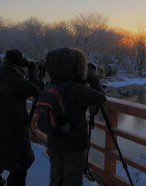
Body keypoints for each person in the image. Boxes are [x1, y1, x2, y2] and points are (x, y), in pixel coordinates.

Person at [45, 47, 107, 186]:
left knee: (56, 177)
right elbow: (101, 97)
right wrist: (92, 77)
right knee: (72, 180)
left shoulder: (49, 85)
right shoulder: (76, 89)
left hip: (53, 140)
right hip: (73, 144)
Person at [0, 49, 40, 186]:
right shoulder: (14, 78)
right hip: (13, 125)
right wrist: (33, 71)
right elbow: (35, 89)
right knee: (20, 162)